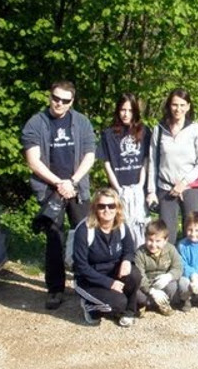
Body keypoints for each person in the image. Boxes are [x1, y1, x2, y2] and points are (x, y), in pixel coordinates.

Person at [21, 80, 96, 310]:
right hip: (49, 190)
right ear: (50, 96)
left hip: (77, 189)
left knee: (84, 236)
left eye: (65, 100)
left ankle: (87, 284)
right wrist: (59, 183)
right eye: (56, 98)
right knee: (54, 239)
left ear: (72, 101)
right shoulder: (36, 123)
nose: (59, 103)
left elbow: (90, 155)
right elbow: (33, 161)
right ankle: (55, 289)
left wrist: (72, 182)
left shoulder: (81, 122)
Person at [146, 89, 198, 244]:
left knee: (193, 233)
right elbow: (153, 162)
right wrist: (151, 191)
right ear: (169, 106)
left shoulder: (196, 130)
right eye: (174, 105)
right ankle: (169, 260)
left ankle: (191, 259)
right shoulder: (159, 130)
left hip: (190, 188)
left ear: (188, 106)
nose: (178, 109)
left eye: (182, 105)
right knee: (167, 235)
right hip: (165, 188)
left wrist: (184, 183)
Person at [73, 188, 141, 327]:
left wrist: (126, 261)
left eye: (111, 206)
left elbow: (129, 249)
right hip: (89, 280)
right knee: (118, 303)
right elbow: (81, 266)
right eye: (102, 206)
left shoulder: (121, 226)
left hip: (113, 273)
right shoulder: (84, 230)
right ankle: (90, 308)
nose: (107, 210)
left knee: (135, 274)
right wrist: (109, 283)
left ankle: (128, 312)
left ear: (117, 208)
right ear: (95, 208)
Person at [99, 93, 151, 247]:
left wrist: (140, 185)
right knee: (120, 225)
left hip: (138, 188)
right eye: (123, 110)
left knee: (140, 225)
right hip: (118, 188)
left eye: (130, 110)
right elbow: (107, 163)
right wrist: (117, 188)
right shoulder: (108, 134)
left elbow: (146, 159)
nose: (126, 114)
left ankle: (140, 255)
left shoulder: (144, 131)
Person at [134, 219, 185, 316]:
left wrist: (169, 276)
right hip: (146, 285)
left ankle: (161, 304)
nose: (153, 245)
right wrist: (151, 291)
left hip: (162, 283)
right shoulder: (140, 253)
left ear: (165, 240)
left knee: (172, 286)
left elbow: (178, 267)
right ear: (145, 238)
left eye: (158, 241)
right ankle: (145, 304)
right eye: (150, 240)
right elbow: (139, 275)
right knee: (135, 292)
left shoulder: (171, 249)